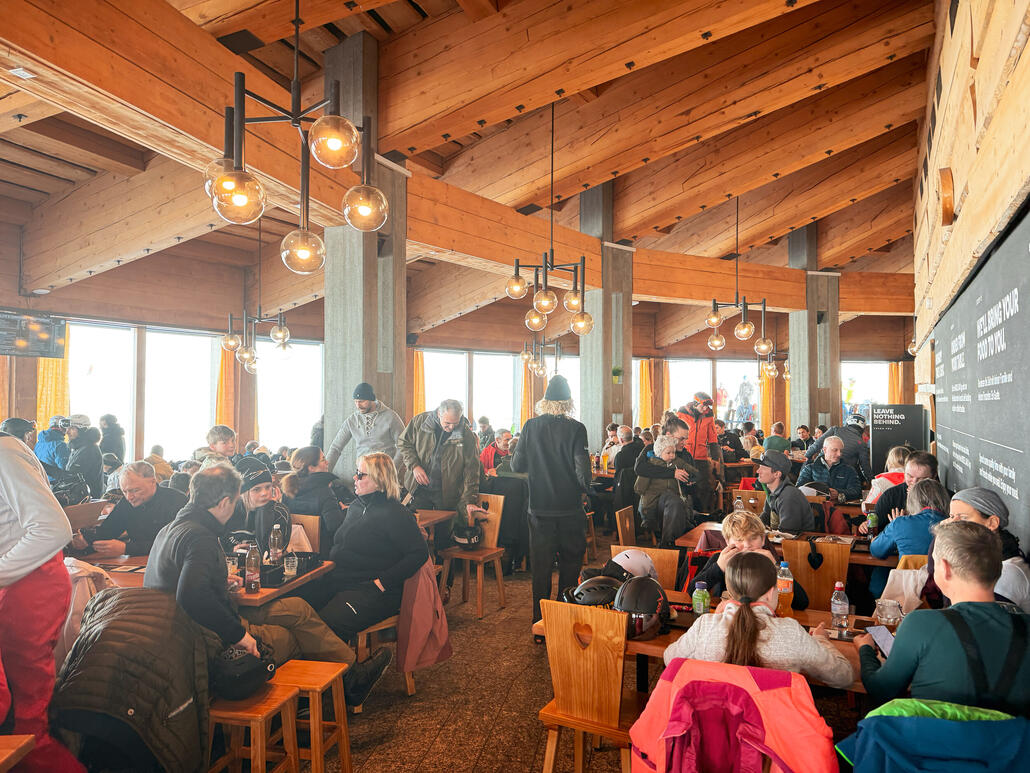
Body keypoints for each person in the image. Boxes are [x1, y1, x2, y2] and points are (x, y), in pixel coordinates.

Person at [143, 465, 392, 707]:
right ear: (224, 502)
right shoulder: (200, 537)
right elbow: (192, 596)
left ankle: (351, 677)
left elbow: (186, 581)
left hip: (181, 626)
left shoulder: (172, 528)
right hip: (202, 637)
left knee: (298, 608)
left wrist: (218, 580)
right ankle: (305, 706)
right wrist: (239, 635)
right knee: (297, 637)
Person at [856, 520, 1030, 712]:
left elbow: (881, 690)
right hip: (1014, 732)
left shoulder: (920, 624)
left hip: (933, 731)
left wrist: (865, 649)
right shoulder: (1025, 626)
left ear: (945, 568)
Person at [0, 430, 85, 772]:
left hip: (29, 585)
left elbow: (52, 529)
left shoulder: (4, 452)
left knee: (23, 723)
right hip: (19, 581)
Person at [664, 551, 853, 688]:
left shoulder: (706, 625)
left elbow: (669, 658)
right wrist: (820, 639)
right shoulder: (791, 632)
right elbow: (844, 676)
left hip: (716, 727)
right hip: (772, 729)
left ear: (730, 592)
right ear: (771, 593)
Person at [509, 375, 591, 625]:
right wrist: (586, 491)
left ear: (544, 401)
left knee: (541, 568)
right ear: (568, 402)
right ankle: (562, 621)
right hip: (570, 509)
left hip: (539, 509)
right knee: (570, 565)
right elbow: (582, 471)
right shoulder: (577, 428)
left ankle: (540, 622)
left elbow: (516, 465)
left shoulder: (530, 426)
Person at [320, 453, 429, 638]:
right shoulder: (356, 506)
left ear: (379, 481)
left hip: (373, 590)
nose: (354, 478)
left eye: (360, 475)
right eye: (356, 472)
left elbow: (419, 553)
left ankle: (349, 659)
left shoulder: (395, 513)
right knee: (302, 606)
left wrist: (381, 583)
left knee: (327, 624)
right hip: (342, 580)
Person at [925, 487, 1030, 612]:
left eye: (963, 518)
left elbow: (976, 618)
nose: (953, 523)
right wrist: (942, 534)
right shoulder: (968, 555)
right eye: (952, 517)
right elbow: (933, 579)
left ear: (992, 523)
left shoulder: (1008, 570)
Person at [688, 511, 809, 610]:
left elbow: (802, 603)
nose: (747, 545)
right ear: (727, 541)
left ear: (763, 539)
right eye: (739, 539)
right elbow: (692, 591)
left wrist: (775, 567)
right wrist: (718, 567)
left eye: (753, 538)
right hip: (728, 618)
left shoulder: (769, 562)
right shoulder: (720, 559)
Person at [71, 460, 187, 556]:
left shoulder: (177, 501)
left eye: (135, 490)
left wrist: (127, 548)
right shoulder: (127, 503)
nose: (129, 497)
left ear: (153, 481)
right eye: (125, 491)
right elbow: (108, 530)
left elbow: (173, 544)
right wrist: (86, 540)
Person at [326, 382, 406, 476]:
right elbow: (336, 447)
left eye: (362, 401)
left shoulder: (391, 417)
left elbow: (403, 444)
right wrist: (324, 474)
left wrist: (393, 469)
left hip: (384, 473)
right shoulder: (352, 420)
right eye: (356, 401)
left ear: (372, 399)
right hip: (362, 473)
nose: (358, 405)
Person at [281, 446, 348, 555]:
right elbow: (335, 526)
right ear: (311, 467)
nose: (327, 462)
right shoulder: (324, 492)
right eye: (323, 459)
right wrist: (345, 512)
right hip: (322, 553)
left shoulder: (287, 489)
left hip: (293, 551)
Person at [634, 434, 697, 545]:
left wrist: (691, 478)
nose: (672, 455)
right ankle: (669, 544)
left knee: (679, 505)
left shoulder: (677, 464)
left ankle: (674, 543)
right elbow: (639, 488)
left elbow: (694, 472)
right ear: (659, 453)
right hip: (652, 507)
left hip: (672, 505)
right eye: (668, 453)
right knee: (674, 501)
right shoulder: (650, 465)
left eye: (673, 452)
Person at [230, 456, 292, 555]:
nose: (264, 493)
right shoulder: (229, 510)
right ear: (243, 493)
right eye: (256, 489)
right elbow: (220, 550)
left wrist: (265, 510)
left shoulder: (279, 512)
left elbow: (270, 553)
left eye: (268, 487)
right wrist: (232, 552)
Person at [863, 451, 939, 530]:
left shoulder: (942, 498)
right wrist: (866, 525)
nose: (914, 482)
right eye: (910, 476)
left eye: (921, 479)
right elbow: (873, 527)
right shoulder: (891, 496)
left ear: (934, 476)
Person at [678, 392, 720, 512]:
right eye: (703, 405)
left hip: (701, 458)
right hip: (684, 456)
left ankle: (703, 515)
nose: (706, 408)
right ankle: (686, 516)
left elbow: (713, 437)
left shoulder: (709, 417)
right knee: (684, 487)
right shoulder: (682, 414)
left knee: (704, 489)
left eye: (707, 406)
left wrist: (715, 458)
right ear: (695, 403)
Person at [805, 414, 873, 483]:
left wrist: (807, 456)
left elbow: (817, 444)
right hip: (842, 477)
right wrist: (871, 481)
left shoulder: (835, 430)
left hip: (819, 471)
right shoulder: (861, 444)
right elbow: (865, 467)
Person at [757, 451, 813, 532]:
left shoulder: (789, 495)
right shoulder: (772, 491)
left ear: (777, 474)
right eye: (759, 467)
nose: (758, 471)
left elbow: (787, 532)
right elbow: (765, 516)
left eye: (763, 468)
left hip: (797, 539)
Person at [796, 435, 861, 502]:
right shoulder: (809, 469)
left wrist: (839, 493)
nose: (839, 454)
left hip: (839, 507)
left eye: (841, 451)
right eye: (835, 450)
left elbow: (857, 491)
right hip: (815, 506)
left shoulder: (849, 470)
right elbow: (798, 490)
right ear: (825, 450)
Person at [863, 445, 911, 512]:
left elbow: (868, 507)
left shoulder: (880, 482)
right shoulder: (915, 480)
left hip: (885, 518)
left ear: (889, 462)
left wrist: (863, 505)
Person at [67, 424, 104, 497]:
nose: (67, 432)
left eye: (72, 428)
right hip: (82, 496)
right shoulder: (78, 448)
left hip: (88, 498)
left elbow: (73, 476)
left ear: (82, 430)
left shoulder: (89, 449)